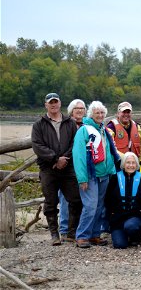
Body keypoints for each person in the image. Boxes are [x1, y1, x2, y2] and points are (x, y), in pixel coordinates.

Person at [31, 93, 82, 246]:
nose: (53, 105)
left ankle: (71, 233)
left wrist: (64, 159)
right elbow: (37, 145)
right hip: (48, 168)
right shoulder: (38, 124)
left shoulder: (70, 122)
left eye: (56, 102)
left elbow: (75, 143)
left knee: (76, 200)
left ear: (60, 104)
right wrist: (54, 159)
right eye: (50, 103)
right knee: (51, 202)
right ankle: (54, 234)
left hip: (68, 168)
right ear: (46, 105)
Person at [73, 101, 120, 248]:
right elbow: (79, 155)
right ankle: (82, 236)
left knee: (99, 206)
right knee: (90, 205)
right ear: (91, 114)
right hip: (90, 175)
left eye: (102, 113)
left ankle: (94, 234)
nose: (100, 115)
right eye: (97, 113)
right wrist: (82, 178)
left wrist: (112, 170)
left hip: (104, 174)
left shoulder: (103, 130)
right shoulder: (84, 131)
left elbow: (109, 153)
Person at [105, 152, 141, 249]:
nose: (131, 165)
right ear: (123, 164)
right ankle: (123, 235)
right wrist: (111, 213)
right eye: (128, 162)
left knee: (131, 226)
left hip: (134, 217)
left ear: (137, 164)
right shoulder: (115, 178)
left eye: (133, 163)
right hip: (118, 218)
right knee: (120, 245)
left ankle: (135, 236)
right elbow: (107, 199)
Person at [58, 98, 86, 242]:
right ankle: (64, 229)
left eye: (82, 108)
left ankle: (75, 229)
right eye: (77, 109)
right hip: (68, 167)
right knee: (65, 199)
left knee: (79, 199)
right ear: (71, 111)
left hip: (83, 167)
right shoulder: (66, 124)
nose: (80, 111)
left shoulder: (87, 124)